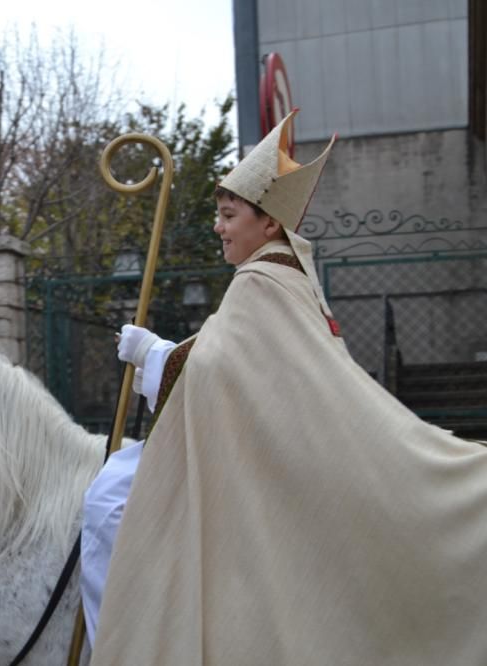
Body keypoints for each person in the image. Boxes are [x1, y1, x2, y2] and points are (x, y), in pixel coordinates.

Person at [88, 109, 487, 665]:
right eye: (218, 215)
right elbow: (243, 369)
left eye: (228, 215)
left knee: (107, 503)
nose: (218, 227)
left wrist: (152, 353)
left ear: (268, 223)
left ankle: (133, 640)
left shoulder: (261, 280)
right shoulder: (281, 275)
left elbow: (220, 370)